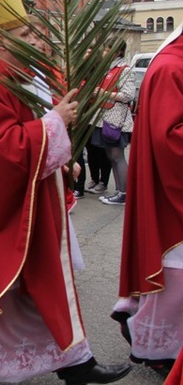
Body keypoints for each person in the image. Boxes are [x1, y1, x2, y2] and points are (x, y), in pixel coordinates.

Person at [0, 0, 130, 384]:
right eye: (24, 35)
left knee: (33, 292)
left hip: (28, 199)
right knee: (14, 293)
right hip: (2, 211)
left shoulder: (8, 76)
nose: (35, 41)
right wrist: (54, 124)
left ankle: (74, 363)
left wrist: (57, 149)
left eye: (33, 34)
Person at [112, 25, 183, 376]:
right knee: (173, 280)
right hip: (171, 193)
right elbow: (168, 137)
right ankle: (158, 347)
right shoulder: (171, 66)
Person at [91, 38, 134, 205]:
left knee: (117, 155)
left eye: (107, 49)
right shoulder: (109, 69)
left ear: (117, 52)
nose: (104, 52)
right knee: (111, 155)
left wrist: (103, 93)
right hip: (107, 117)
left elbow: (128, 95)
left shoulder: (124, 69)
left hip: (116, 118)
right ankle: (119, 190)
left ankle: (124, 193)